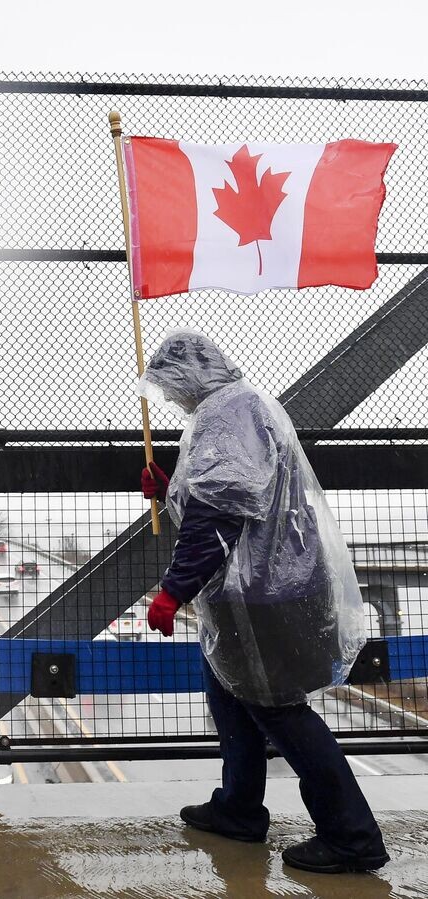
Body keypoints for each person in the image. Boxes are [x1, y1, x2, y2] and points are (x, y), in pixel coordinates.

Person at [139, 329, 388, 875]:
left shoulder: (226, 412)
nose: (169, 399)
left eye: (169, 387)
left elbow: (221, 510)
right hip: (251, 594)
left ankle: (351, 836)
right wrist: (171, 489)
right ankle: (238, 807)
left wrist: (173, 589)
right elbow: (232, 493)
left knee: (278, 708)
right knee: (229, 694)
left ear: (188, 375)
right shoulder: (237, 407)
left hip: (256, 598)